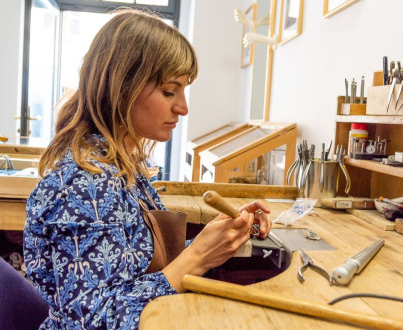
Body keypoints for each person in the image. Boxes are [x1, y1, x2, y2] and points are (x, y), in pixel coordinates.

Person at [23, 8, 271, 330]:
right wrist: (196, 259)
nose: (182, 107)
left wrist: (212, 241)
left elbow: (132, 264)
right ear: (122, 87)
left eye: (183, 90)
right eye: (169, 91)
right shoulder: (84, 186)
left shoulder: (122, 167)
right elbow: (96, 322)